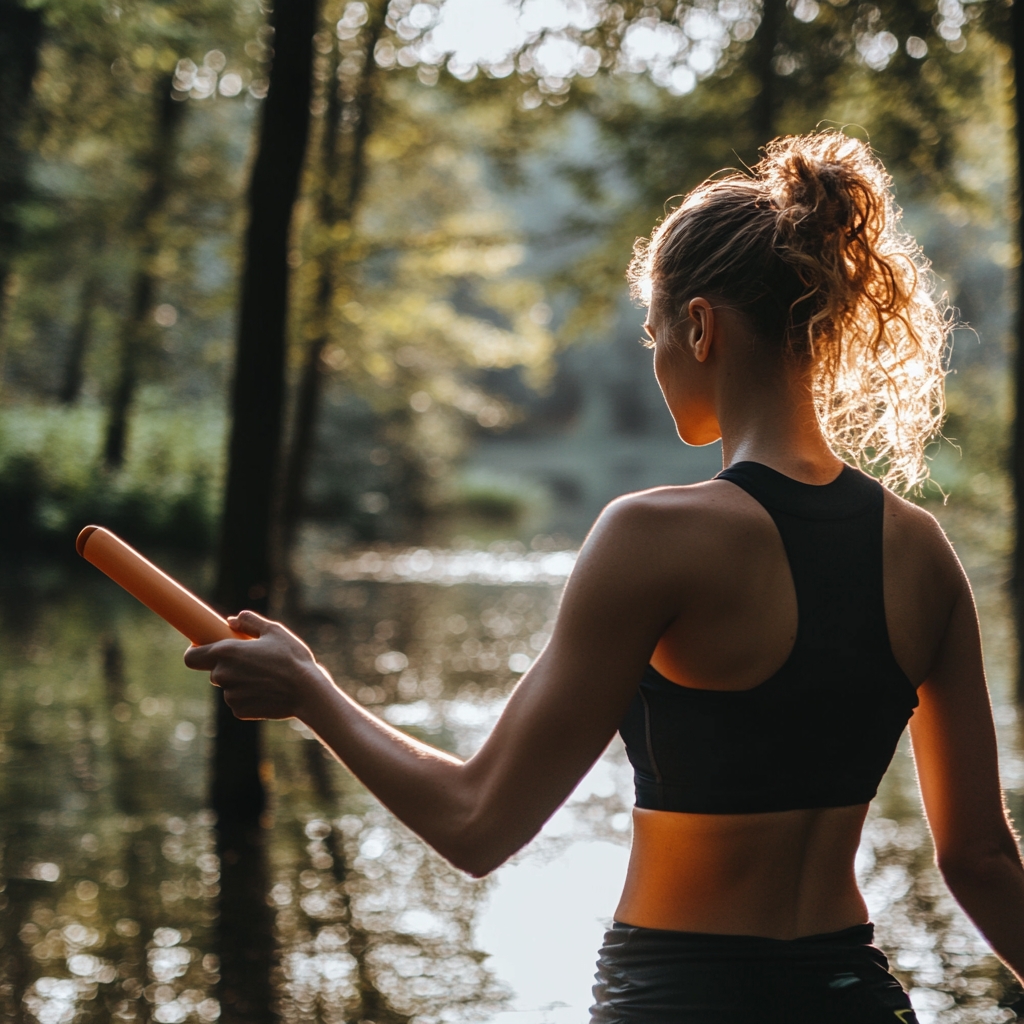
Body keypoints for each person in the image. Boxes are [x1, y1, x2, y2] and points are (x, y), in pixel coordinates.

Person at [185, 131, 1024, 1023]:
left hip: (678, 1001)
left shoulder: (654, 535)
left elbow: (477, 823)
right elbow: (979, 860)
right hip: (856, 999)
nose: (656, 360)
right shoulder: (923, 551)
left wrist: (312, 691)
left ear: (699, 326)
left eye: (655, 333)